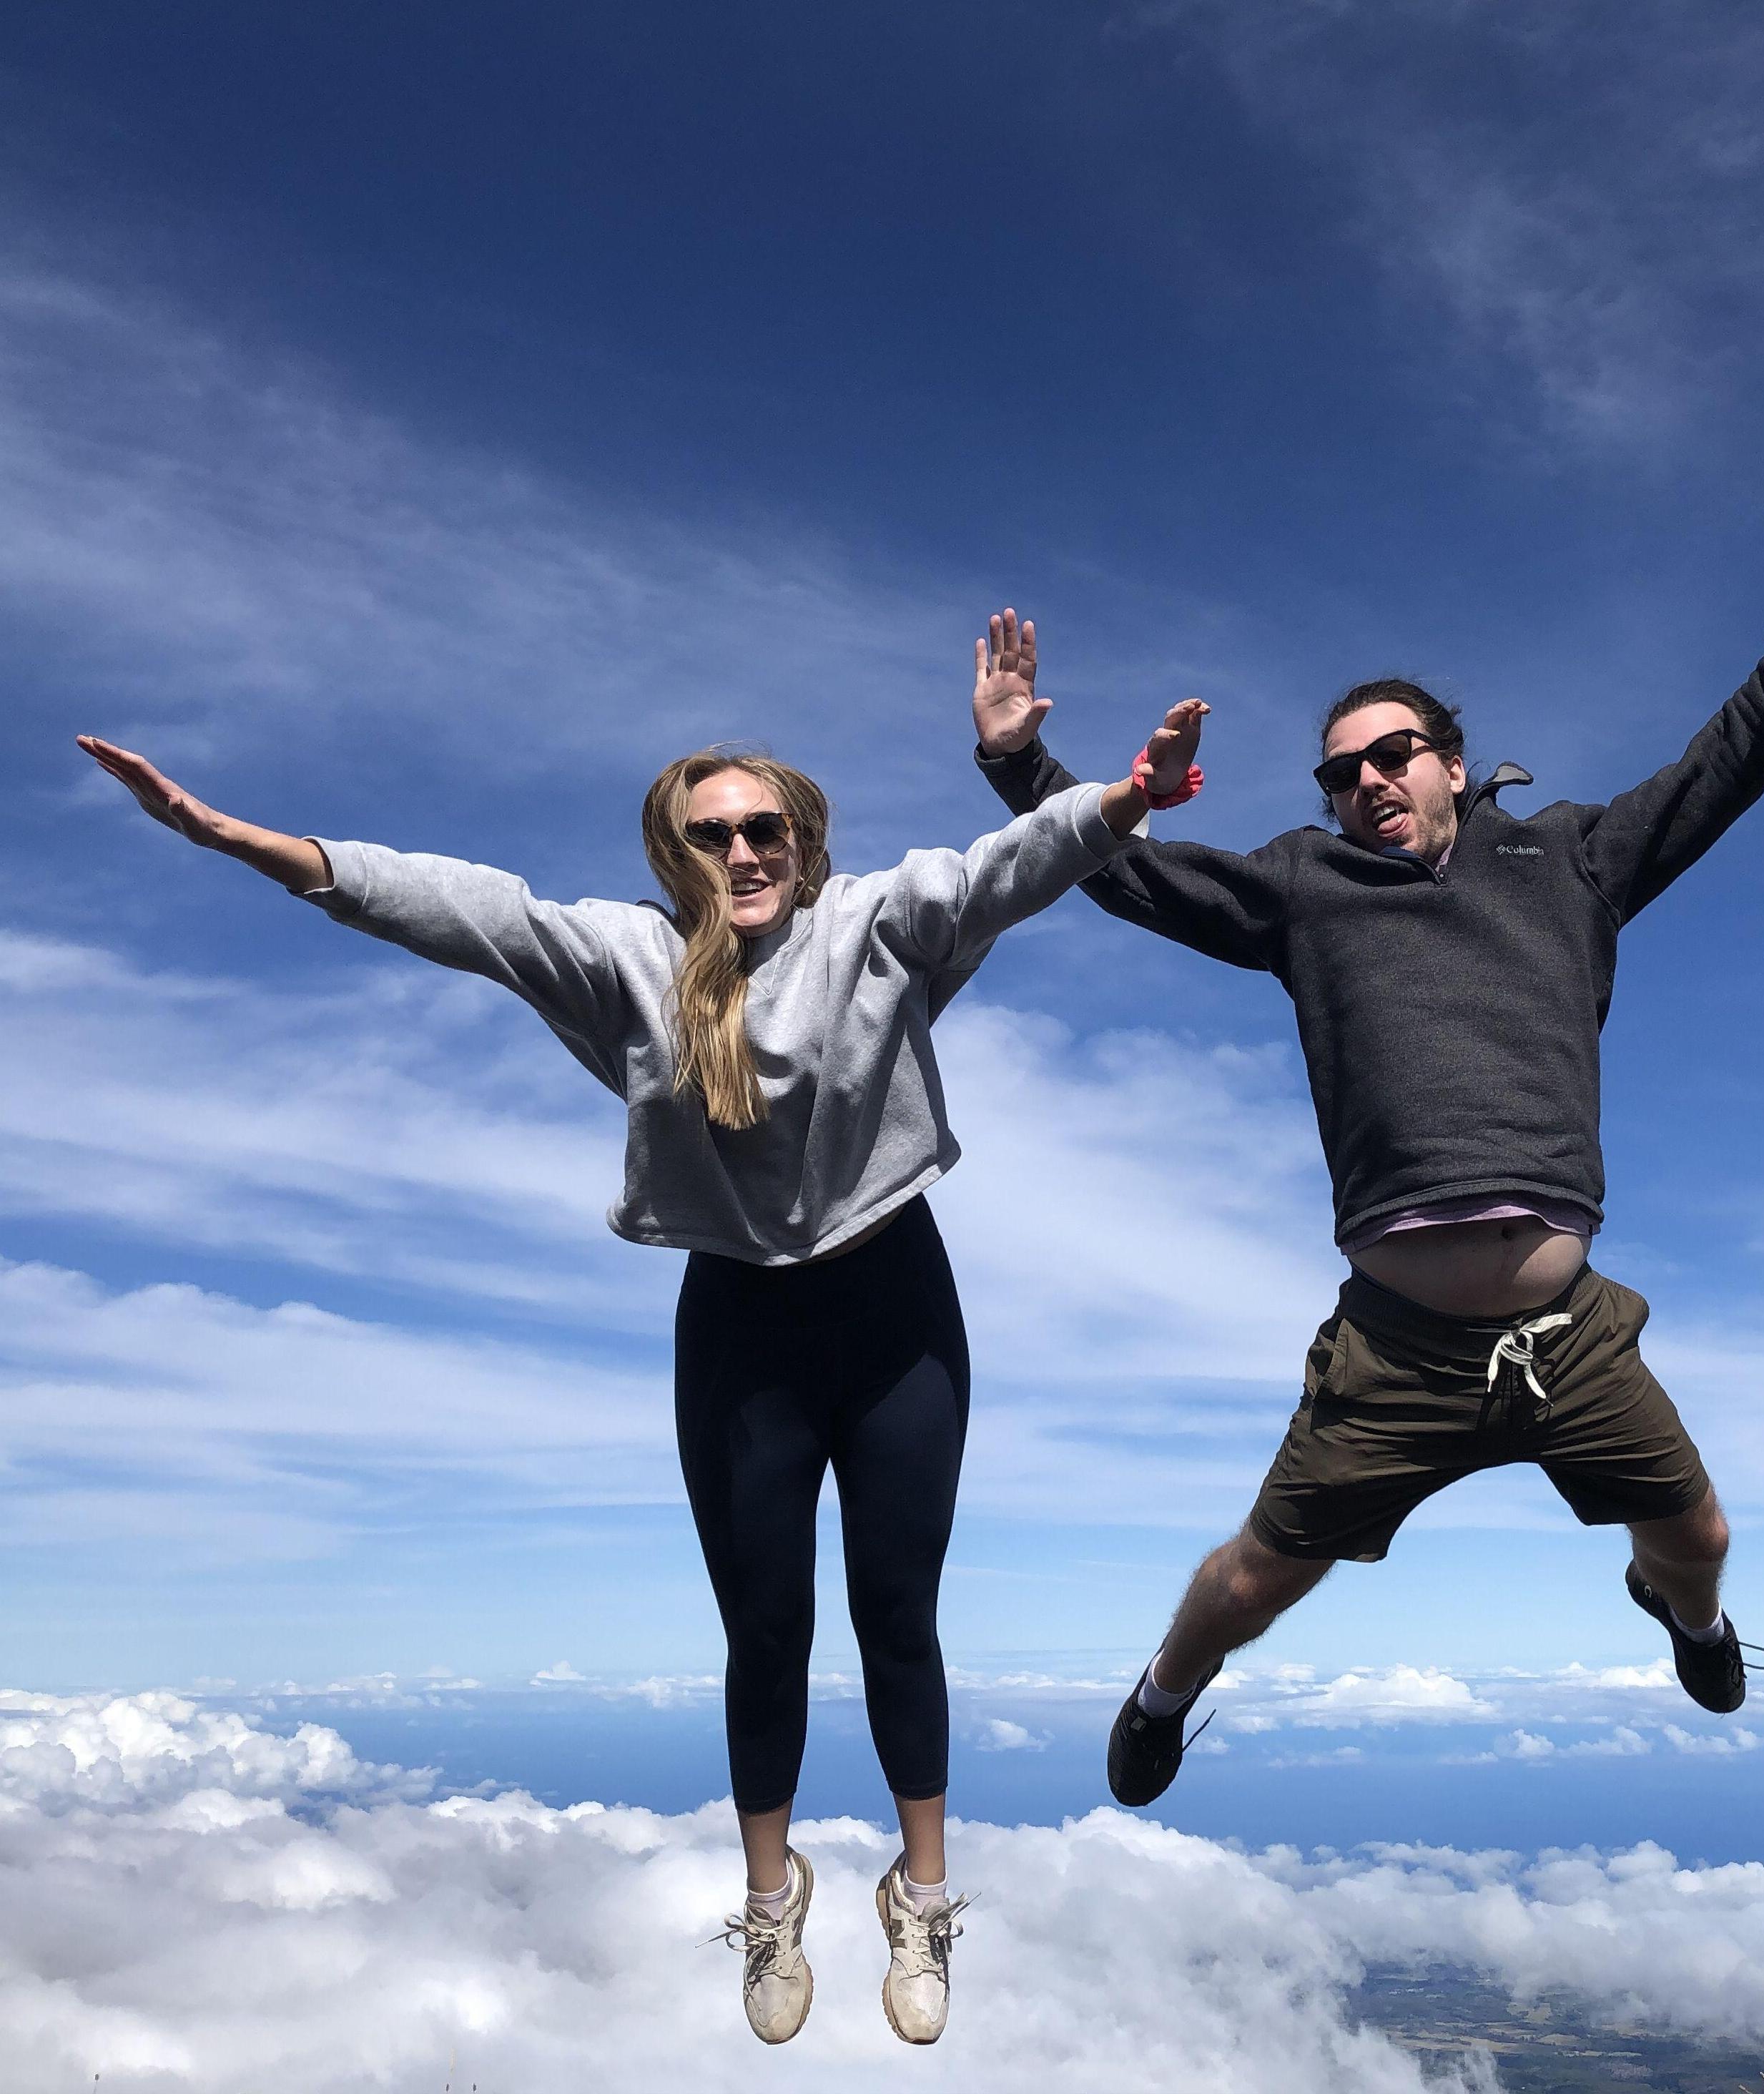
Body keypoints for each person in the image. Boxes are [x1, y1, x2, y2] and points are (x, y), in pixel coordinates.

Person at [77, 635, 1209, 2045]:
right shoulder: (630, 964)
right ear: (679, 854)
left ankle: (920, 1901)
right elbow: (452, 907)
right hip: (739, 1322)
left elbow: (1005, 871)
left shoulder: (875, 924)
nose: (742, 850)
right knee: (766, 1634)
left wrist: (1126, 796)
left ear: (802, 837)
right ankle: (771, 1903)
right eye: (711, 834)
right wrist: (240, 839)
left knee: (897, 1620)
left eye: (763, 828)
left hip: (895, 1307)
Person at [973, 466, 1764, 1809]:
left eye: (1394, 755)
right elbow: (1126, 875)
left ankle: (1690, 1625)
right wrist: (1017, 766)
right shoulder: (1300, 886)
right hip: (1395, 1346)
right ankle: (1163, 1695)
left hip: (1570, 1332)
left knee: (1698, 1533)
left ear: (1454, 761)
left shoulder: (1569, 857)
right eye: (1343, 771)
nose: (1369, 780)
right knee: (1256, 1577)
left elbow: (1722, 769)